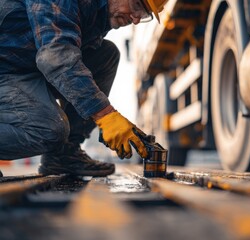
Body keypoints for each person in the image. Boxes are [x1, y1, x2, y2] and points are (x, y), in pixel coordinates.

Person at [0, 0, 168, 177]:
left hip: (27, 66)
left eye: (144, 15)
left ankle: (63, 156)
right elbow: (56, 56)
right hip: (5, 69)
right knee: (49, 131)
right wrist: (105, 115)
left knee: (106, 55)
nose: (135, 19)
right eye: (136, 6)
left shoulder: (99, 14)